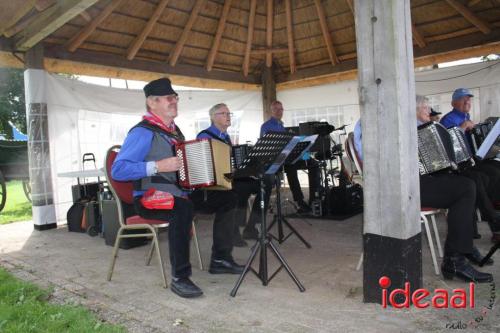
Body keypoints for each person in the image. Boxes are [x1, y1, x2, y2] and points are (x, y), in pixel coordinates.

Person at [111, 78, 243, 299]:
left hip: (179, 192)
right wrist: (157, 166)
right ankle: (179, 277)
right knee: (181, 209)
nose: (174, 101)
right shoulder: (142, 132)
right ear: (152, 103)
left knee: (228, 197)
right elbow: (119, 170)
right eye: (168, 98)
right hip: (148, 198)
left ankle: (220, 259)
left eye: (175, 97)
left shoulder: (174, 131)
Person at [352, 96, 493, 283]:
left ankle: (461, 250)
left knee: (468, 180)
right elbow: (375, 160)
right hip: (396, 187)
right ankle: (455, 259)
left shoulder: (394, 121)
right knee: (465, 188)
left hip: (411, 179)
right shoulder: (370, 124)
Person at [197, 103, 271, 244]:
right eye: (224, 113)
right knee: (240, 188)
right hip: (215, 181)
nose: (228, 116)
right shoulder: (204, 136)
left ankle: (251, 227)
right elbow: (203, 165)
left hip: (230, 177)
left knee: (265, 182)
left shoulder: (225, 136)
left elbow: (230, 159)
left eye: (229, 114)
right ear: (213, 117)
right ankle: (234, 230)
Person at [440, 88, 500, 242]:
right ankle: (494, 222)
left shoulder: (466, 116)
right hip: (458, 164)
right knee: (480, 178)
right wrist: (462, 127)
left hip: (472, 159)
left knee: (495, 171)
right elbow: (447, 143)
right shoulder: (448, 119)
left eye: (469, 99)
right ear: (453, 103)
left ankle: (493, 218)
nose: (467, 101)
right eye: (463, 99)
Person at [260, 101, 321, 213]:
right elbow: (266, 147)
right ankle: (299, 201)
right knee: (291, 168)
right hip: (276, 159)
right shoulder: (266, 126)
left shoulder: (281, 126)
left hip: (287, 156)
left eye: (281, 109)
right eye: (276, 109)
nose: (279, 112)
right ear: (271, 111)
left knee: (314, 164)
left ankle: (313, 199)